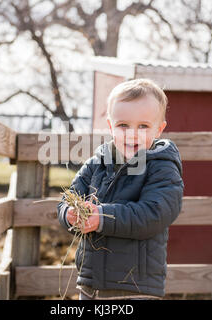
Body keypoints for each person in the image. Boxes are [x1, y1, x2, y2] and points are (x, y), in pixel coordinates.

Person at [57, 78, 184, 300]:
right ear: (110, 126)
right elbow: (69, 198)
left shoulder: (161, 167)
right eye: (123, 125)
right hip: (90, 283)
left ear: (159, 130)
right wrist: (69, 214)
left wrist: (102, 217)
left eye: (143, 126)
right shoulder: (98, 163)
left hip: (135, 288)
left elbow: (154, 213)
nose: (131, 134)